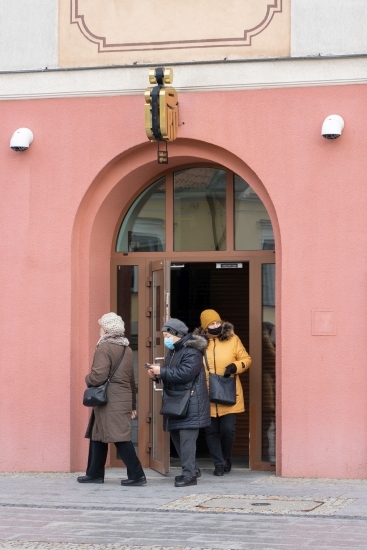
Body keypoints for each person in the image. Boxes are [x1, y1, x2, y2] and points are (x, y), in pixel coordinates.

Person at [77, 312, 146, 486]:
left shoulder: (104, 347)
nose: (99, 329)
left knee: (120, 437)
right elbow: (130, 380)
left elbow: (98, 377)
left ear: (107, 330)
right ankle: (94, 473)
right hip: (121, 398)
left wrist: (87, 378)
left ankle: (137, 475)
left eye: (101, 326)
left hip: (110, 400)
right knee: (98, 434)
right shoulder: (127, 348)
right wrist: (132, 405)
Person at [147, 318, 210, 487]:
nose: (166, 338)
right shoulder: (174, 350)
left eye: (167, 335)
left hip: (190, 402)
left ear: (177, 334)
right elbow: (173, 374)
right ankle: (193, 469)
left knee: (187, 440)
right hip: (177, 402)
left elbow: (185, 373)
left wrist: (162, 370)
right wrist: (158, 375)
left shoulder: (192, 350)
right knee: (177, 437)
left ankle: (189, 476)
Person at [193, 309, 251, 476]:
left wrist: (235, 367)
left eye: (217, 322)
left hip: (228, 391)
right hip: (207, 392)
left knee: (228, 429)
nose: (216, 326)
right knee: (211, 431)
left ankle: (226, 458)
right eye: (211, 324)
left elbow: (246, 359)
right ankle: (218, 464)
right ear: (205, 327)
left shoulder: (233, 339)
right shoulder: (198, 343)